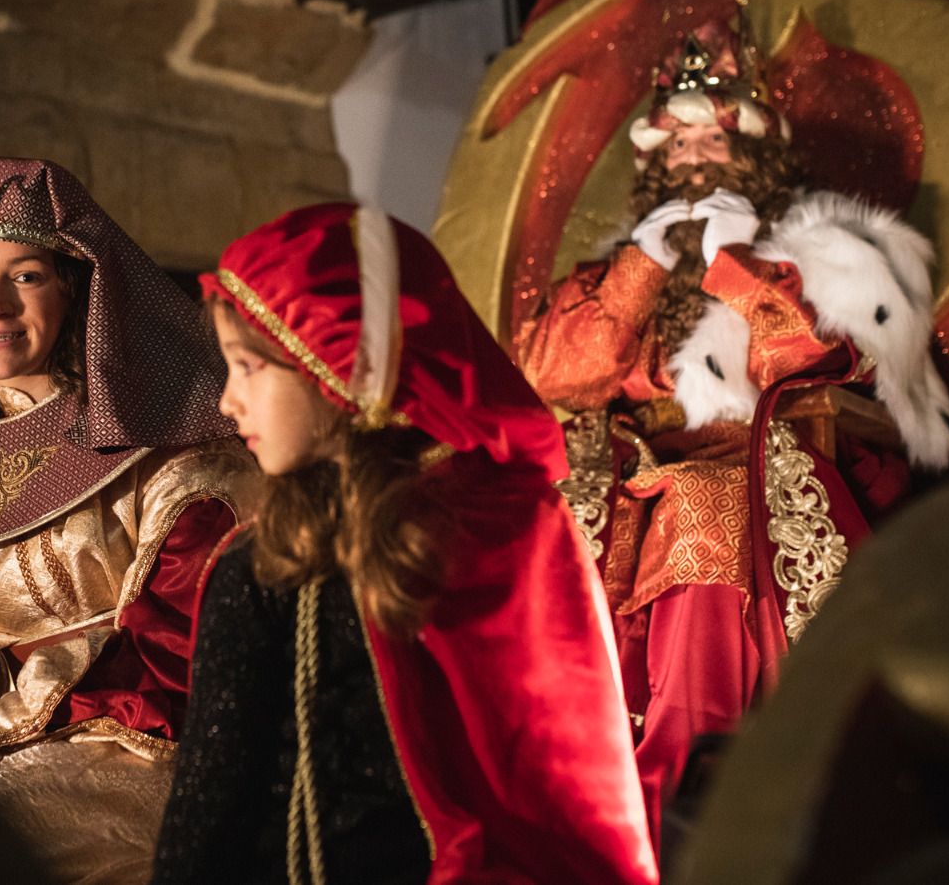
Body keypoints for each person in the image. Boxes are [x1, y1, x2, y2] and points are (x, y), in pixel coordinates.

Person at [513, 16, 949, 845]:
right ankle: (574, 788)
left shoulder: (820, 252)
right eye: (674, 142)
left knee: (700, 504)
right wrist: (643, 266)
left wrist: (740, 265)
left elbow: (819, 363)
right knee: (545, 524)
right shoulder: (620, 269)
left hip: (762, 465)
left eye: (709, 136)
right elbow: (551, 375)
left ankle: (686, 790)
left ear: (752, 148)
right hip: (632, 471)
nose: (689, 156)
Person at [151, 203, 658, 884]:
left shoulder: (502, 531)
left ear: (334, 362)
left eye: (248, 367)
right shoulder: (271, 568)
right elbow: (210, 813)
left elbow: (565, 780)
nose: (227, 401)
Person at [0, 156, 254, 882]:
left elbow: (183, 657)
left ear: (74, 286)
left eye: (26, 275)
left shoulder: (171, 456)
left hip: (127, 756)